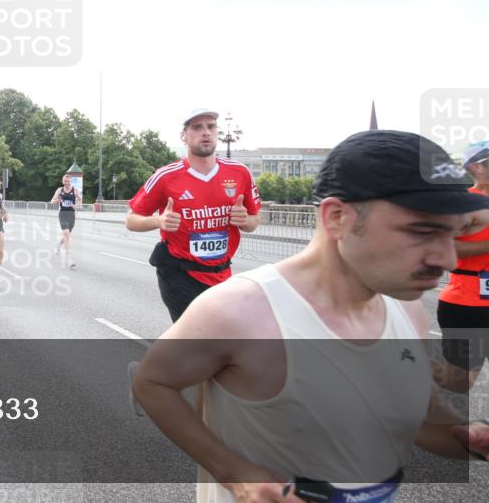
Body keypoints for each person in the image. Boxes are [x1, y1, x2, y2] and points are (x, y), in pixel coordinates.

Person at [132, 130, 489, 502]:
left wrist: (468, 435)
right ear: (337, 218)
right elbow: (153, 383)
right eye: (421, 231)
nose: (448, 259)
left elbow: (416, 409)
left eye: (452, 234)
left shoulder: (408, 310)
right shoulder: (239, 310)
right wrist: (235, 473)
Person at [127, 108, 262, 322]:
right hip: (179, 274)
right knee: (196, 339)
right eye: (197, 127)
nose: (205, 132)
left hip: (222, 274)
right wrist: (158, 221)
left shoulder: (240, 173)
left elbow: (255, 220)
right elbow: (131, 221)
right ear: (184, 136)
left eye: (210, 126)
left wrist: (246, 221)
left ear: (217, 132)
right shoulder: (166, 176)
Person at [435, 140, 489, 393]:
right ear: (475, 168)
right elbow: (443, 248)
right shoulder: (463, 203)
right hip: (467, 305)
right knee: (459, 385)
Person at [50, 173, 82, 269]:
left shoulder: (75, 190)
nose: (66, 183)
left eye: (68, 181)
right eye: (65, 181)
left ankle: (58, 243)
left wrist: (76, 206)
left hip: (71, 215)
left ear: (70, 181)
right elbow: (52, 201)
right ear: (62, 181)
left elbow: (80, 200)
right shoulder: (59, 190)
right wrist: (57, 201)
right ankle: (69, 259)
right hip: (63, 214)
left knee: (66, 235)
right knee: (67, 234)